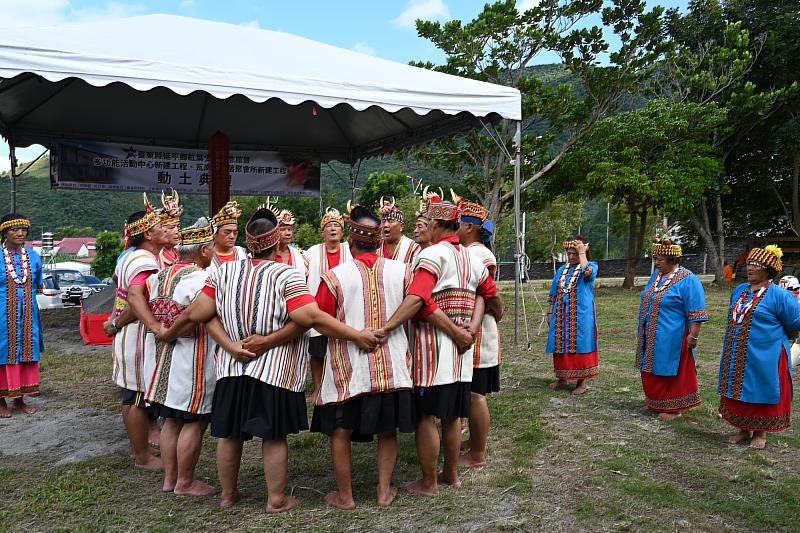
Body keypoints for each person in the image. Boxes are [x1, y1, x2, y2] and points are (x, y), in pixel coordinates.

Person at [159, 206, 379, 514]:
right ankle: (276, 499)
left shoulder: (224, 272)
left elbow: (199, 314)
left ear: (249, 243)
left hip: (232, 367)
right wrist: (355, 335)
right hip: (275, 370)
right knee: (273, 436)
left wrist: (228, 345)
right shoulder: (286, 275)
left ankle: (228, 493)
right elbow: (310, 317)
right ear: (276, 242)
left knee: (230, 434)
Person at [379, 193, 502, 496]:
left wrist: (388, 326)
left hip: (432, 354)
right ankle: (451, 474)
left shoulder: (432, 255)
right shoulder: (473, 258)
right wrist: (470, 329)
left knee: (426, 416)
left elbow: (419, 299)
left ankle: (429, 482)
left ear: (435, 224)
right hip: (461, 355)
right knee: (452, 416)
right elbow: (490, 298)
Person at [310, 204, 414, 510]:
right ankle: (383, 491)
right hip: (392, 367)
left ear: (351, 241)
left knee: (341, 431)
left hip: (348, 369)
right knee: (387, 430)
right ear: (378, 240)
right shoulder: (403, 272)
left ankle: (346, 496)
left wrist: (354, 334)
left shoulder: (334, 277)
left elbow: (318, 319)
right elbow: (419, 306)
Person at [144, 217, 217, 495]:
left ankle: (169, 479)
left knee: (171, 420)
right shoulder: (202, 278)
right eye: (210, 246)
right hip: (192, 359)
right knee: (194, 421)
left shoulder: (159, 276)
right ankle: (185, 481)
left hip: (164, 359)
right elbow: (196, 316)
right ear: (203, 250)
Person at [103, 197, 168, 469]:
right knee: (138, 397)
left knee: (132, 396)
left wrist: (115, 320)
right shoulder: (144, 260)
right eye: (159, 226)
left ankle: (140, 452)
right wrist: (118, 322)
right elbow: (136, 299)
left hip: (129, 334)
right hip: (138, 335)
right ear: (148, 234)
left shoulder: (130, 257)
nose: (165, 229)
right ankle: (142, 456)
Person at [717, 245, 800, 449]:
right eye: (749, 264)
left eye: (756, 265)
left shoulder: (780, 296)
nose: (750, 268)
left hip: (766, 354)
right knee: (739, 390)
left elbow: (796, 322)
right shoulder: (739, 291)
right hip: (737, 351)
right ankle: (743, 430)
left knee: (761, 389)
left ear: (768, 269)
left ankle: (760, 433)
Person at [454, 197, 504, 468]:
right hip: (474, 329)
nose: (456, 228)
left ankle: (478, 454)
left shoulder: (480, 255)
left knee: (476, 394)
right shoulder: (471, 252)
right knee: (470, 392)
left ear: (470, 227)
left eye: (460, 224)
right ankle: (472, 443)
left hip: (479, 333)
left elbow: (484, 295)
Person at [635, 238, 707, 421]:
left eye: (660, 259)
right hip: (650, 331)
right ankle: (656, 401)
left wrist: (693, 335)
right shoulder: (657, 276)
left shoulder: (689, 280)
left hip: (672, 334)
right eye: (655, 259)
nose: (656, 262)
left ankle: (674, 407)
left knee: (669, 367)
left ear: (672, 260)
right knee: (651, 366)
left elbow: (696, 310)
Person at [303, 207, 352, 400]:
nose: (333, 229)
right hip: (319, 308)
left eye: (337, 226)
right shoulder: (312, 252)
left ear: (342, 231)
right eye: (329, 226)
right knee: (318, 352)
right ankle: (317, 388)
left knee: (344, 349)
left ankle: (345, 386)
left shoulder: (350, 249)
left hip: (345, 308)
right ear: (322, 231)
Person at [0, 214, 43, 418]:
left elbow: (39, 285)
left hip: (27, 316)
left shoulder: (33, 257)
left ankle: (20, 400)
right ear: (4, 233)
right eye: (15, 229)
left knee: (26, 353)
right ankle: (0, 401)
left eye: (24, 229)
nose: (20, 233)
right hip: (2, 316)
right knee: (3, 353)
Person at [546, 235, 599, 395]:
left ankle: (582, 382)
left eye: (574, 254)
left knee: (580, 343)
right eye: (569, 253)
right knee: (560, 343)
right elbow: (553, 291)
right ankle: (562, 377)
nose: (571, 257)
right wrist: (549, 312)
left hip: (581, 314)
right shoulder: (562, 270)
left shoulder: (591, 266)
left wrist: (582, 253)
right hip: (561, 313)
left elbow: (588, 273)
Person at [377, 197, 421, 265]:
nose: (385, 225)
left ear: (401, 226)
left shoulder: (412, 248)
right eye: (383, 221)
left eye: (391, 221)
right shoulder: (376, 246)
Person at [208, 200, 248, 271]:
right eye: (227, 232)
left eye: (235, 233)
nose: (232, 236)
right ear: (214, 234)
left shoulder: (242, 254)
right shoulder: (206, 256)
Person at [273, 207, 309, 276]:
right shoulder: (267, 254)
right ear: (274, 231)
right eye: (283, 229)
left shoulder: (298, 255)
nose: (288, 233)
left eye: (289, 229)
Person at [156, 189, 183, 268]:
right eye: (171, 228)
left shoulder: (182, 252)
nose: (176, 231)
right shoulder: (156, 255)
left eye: (178, 227)